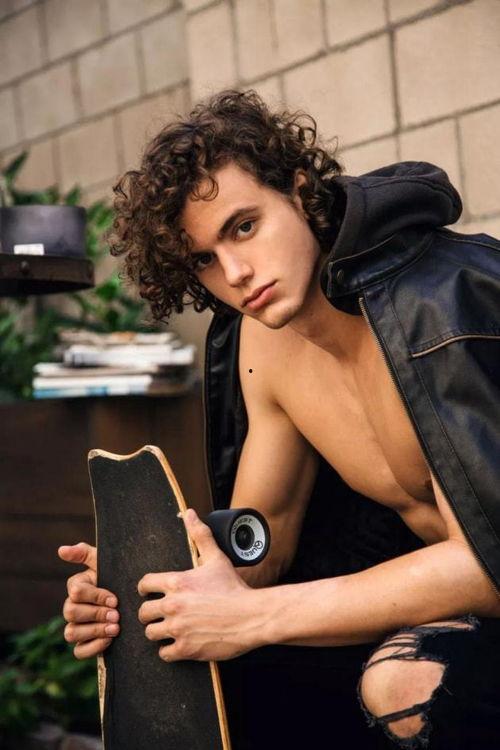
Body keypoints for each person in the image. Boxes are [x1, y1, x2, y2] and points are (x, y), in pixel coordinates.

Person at [58, 90, 500, 749]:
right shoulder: (263, 345)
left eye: (244, 226)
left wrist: (254, 616)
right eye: (204, 259)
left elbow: (489, 558)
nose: (236, 273)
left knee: (408, 683)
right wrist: (149, 584)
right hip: (450, 607)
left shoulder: (440, 302)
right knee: (211, 661)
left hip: (477, 595)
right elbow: (263, 544)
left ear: (299, 191)